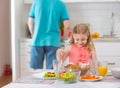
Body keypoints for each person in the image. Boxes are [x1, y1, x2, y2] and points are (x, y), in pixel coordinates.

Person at [28, 0, 71, 69]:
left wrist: (33, 34)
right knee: (51, 71)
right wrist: (64, 37)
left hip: (37, 41)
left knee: (36, 71)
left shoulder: (36, 2)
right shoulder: (60, 4)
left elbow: (30, 21)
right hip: (53, 41)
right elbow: (67, 26)